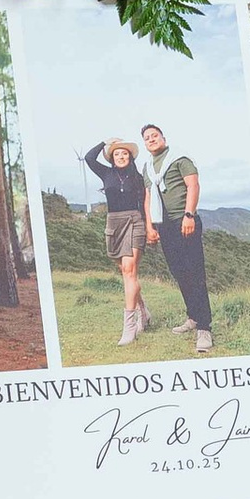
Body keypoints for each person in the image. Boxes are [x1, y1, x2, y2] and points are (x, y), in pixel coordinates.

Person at [136, 119, 214, 353]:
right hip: (164, 225)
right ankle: (193, 317)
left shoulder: (180, 158)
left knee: (195, 273)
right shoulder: (147, 167)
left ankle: (204, 328)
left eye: (154, 135)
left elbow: (193, 185)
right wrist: (150, 226)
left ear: (163, 138)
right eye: (147, 138)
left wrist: (189, 215)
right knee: (179, 273)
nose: (151, 139)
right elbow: (148, 197)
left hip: (185, 221)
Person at [77, 136, 151, 344]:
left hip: (135, 221)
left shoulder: (137, 178)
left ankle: (129, 327)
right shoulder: (106, 173)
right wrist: (105, 142)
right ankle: (143, 311)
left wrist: (149, 227)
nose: (121, 156)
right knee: (127, 273)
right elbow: (89, 158)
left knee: (129, 270)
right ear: (111, 157)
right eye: (117, 154)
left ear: (130, 157)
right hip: (114, 224)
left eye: (124, 153)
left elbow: (146, 203)